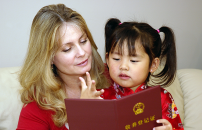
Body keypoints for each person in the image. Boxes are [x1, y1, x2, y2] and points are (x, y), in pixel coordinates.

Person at [16, 4, 109, 130]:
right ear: (49, 58)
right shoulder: (36, 107)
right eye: (67, 49)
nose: (82, 53)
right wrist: (83, 114)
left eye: (83, 41)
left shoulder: (114, 75)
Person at [101, 18, 184, 130]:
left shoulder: (162, 98)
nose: (123, 66)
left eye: (133, 60)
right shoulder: (100, 97)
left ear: (153, 65)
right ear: (107, 59)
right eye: (116, 58)